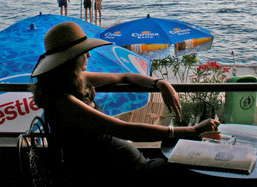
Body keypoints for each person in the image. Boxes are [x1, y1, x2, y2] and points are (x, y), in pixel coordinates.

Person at [30, 21, 219, 186]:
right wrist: (190, 131)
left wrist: (160, 83)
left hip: (125, 167)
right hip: (116, 175)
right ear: (70, 59)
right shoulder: (64, 102)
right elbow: (124, 129)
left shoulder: (76, 80)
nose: (89, 56)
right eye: (84, 53)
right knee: (191, 170)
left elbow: (125, 76)